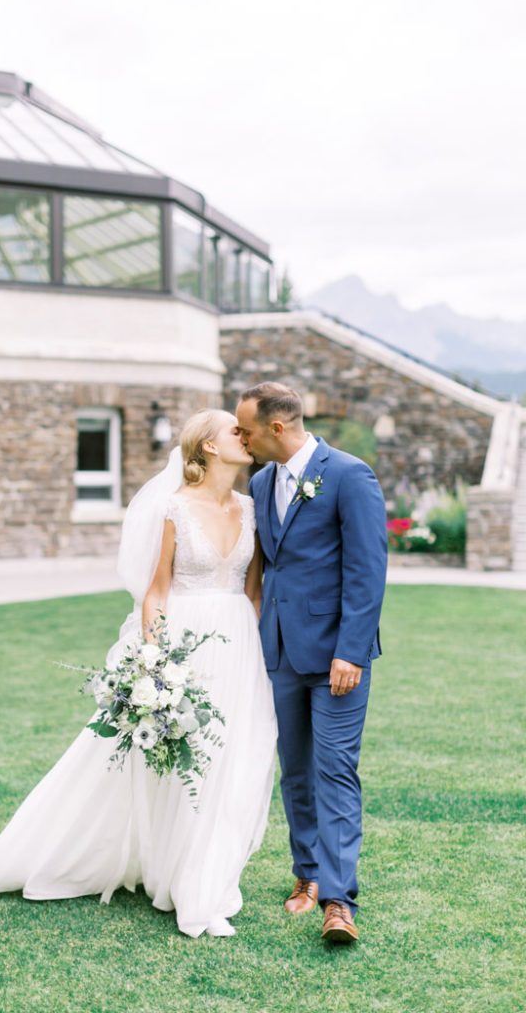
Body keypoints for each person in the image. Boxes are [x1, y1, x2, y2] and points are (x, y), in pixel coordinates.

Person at [0, 409, 277, 938]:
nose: (244, 436)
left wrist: (255, 651)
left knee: (235, 759)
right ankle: (165, 873)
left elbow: (252, 592)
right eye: (234, 431)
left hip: (240, 647)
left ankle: (202, 877)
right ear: (206, 446)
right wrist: (155, 662)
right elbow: (157, 591)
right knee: (184, 760)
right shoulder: (175, 509)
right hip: (184, 641)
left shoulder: (251, 509)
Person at [235, 382, 387, 944]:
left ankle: (340, 901)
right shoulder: (257, 480)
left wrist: (350, 649)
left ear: (276, 428)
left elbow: (368, 571)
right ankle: (307, 878)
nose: (240, 437)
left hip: (336, 659)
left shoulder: (349, 475)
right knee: (294, 770)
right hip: (277, 651)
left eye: (245, 429)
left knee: (334, 771)